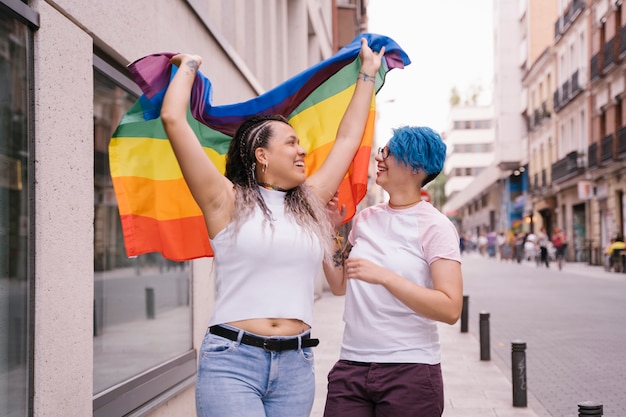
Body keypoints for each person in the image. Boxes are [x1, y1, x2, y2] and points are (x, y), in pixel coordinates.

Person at [160, 38, 385, 417]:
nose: (302, 151)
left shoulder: (309, 202)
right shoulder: (224, 200)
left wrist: (367, 73)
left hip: (296, 366)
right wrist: (189, 66)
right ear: (261, 155)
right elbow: (173, 120)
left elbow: (348, 139)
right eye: (292, 143)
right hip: (232, 362)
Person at [322, 126, 463, 417]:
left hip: (410, 371)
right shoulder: (365, 220)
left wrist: (385, 277)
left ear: (416, 166)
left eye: (388, 152)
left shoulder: (436, 227)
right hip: (352, 367)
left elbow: (450, 308)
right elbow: (339, 285)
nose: (379, 157)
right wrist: (328, 231)